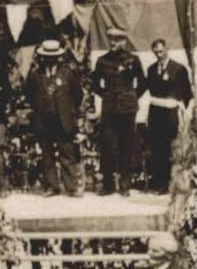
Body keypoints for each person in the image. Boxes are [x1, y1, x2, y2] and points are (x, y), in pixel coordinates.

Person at [25, 39, 83, 196]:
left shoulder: (68, 74)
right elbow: (29, 94)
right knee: (47, 155)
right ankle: (52, 186)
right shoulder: (36, 74)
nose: (49, 59)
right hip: (44, 121)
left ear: (59, 57)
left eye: (53, 56)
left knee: (67, 154)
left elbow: (78, 95)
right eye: (46, 56)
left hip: (63, 120)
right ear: (42, 57)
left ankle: (72, 187)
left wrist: (69, 111)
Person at [92, 27, 144, 196]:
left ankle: (124, 185)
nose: (114, 42)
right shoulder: (102, 61)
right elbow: (95, 85)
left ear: (124, 41)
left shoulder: (133, 60)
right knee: (107, 146)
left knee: (126, 146)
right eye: (111, 39)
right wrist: (108, 96)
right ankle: (108, 185)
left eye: (118, 39)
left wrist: (131, 96)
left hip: (128, 109)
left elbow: (142, 83)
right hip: (109, 110)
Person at [141, 39, 192, 193]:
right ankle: (159, 182)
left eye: (161, 51)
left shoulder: (179, 69)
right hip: (155, 112)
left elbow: (187, 93)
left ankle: (173, 182)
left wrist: (181, 110)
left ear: (167, 49)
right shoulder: (150, 70)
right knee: (157, 147)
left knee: (173, 147)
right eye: (156, 52)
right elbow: (145, 89)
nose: (159, 54)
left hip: (171, 113)